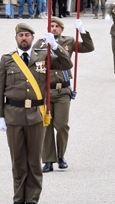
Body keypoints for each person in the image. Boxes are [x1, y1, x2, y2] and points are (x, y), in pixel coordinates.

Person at [0, 22, 72, 204]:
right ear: (16, 39)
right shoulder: (7, 60)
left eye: (28, 35)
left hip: (36, 115)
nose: (24, 38)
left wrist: (55, 46)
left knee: (34, 160)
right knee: (18, 159)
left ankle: (33, 198)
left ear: (32, 38)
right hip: (13, 115)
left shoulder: (43, 56)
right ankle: (18, 198)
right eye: (21, 35)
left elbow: (66, 63)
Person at [37, 17, 94, 172]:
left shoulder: (68, 41)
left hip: (63, 90)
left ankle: (61, 156)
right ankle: (48, 160)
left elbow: (88, 47)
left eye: (57, 26)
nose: (54, 28)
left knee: (61, 125)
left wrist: (83, 31)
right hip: (45, 91)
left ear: (62, 29)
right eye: (51, 26)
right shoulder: (40, 43)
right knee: (46, 126)